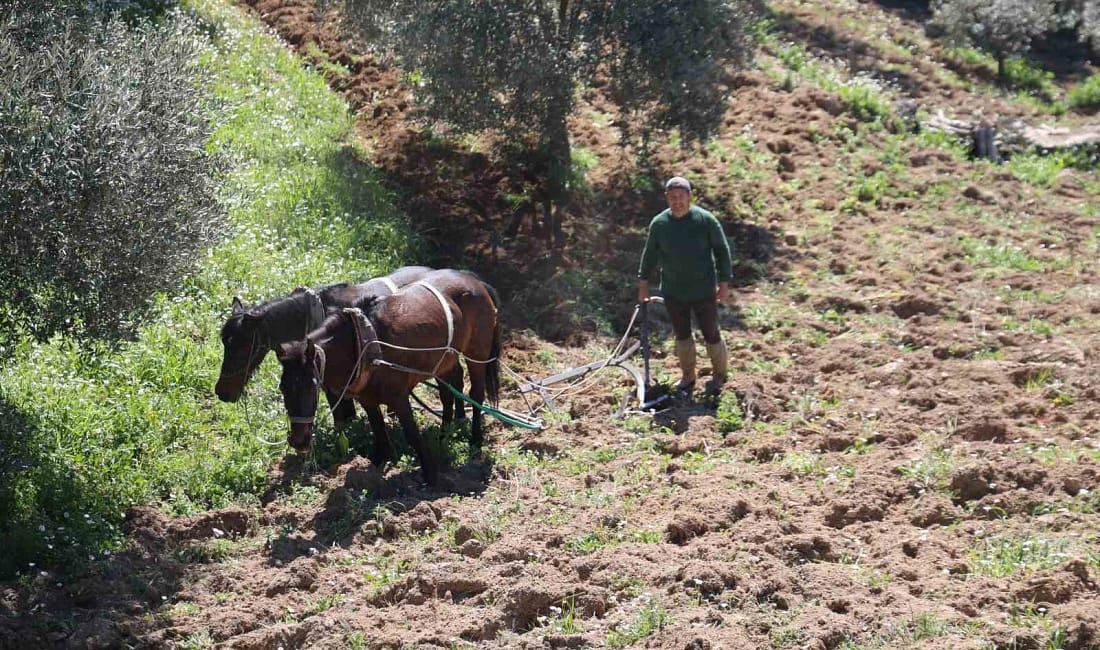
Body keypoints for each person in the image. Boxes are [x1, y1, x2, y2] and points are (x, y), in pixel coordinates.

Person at [638, 176, 732, 395]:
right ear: (666, 198)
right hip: (674, 291)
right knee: (682, 335)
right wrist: (643, 284)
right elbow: (649, 254)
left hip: (703, 290)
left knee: (711, 332)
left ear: (689, 197)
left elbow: (722, 251)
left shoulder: (705, 220)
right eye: (673, 197)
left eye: (681, 197)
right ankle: (688, 375)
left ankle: (720, 374)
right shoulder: (660, 224)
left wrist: (724, 283)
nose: (677, 201)